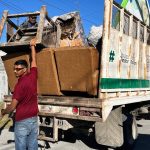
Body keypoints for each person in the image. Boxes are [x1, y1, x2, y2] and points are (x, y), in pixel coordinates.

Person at [1, 38, 39, 150]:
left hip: (22, 121)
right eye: (14, 69)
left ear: (25, 69)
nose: (15, 71)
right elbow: (34, 61)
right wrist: (32, 47)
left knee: (21, 146)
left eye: (18, 69)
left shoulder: (19, 86)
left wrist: (3, 112)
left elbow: (12, 106)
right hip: (33, 119)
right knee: (32, 145)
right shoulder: (32, 76)